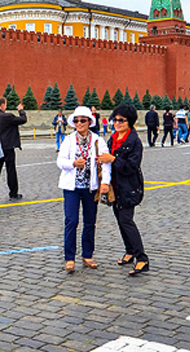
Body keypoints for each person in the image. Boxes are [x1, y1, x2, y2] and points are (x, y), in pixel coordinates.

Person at [56, 106, 110, 273]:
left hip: (90, 187)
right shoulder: (69, 140)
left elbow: (105, 163)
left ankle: (87, 255)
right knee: (71, 221)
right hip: (71, 187)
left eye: (83, 120)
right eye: (76, 120)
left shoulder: (97, 141)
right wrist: (72, 164)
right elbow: (60, 161)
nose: (79, 123)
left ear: (89, 122)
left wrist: (105, 183)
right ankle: (69, 258)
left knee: (89, 222)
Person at [98, 105, 149, 276]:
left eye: (121, 120)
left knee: (127, 221)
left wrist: (112, 159)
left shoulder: (134, 141)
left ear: (130, 122)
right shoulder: (113, 138)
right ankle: (130, 251)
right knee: (120, 220)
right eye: (115, 119)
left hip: (129, 187)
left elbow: (131, 167)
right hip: (115, 187)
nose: (117, 123)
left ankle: (142, 258)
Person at [0, 96, 27, 200]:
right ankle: (13, 193)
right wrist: (21, 110)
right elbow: (23, 120)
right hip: (8, 147)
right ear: (3, 105)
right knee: (11, 170)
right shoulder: (8, 116)